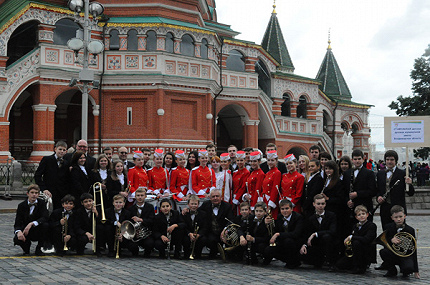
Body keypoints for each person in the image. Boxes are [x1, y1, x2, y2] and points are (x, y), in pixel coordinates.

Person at [376, 150, 415, 230]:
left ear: (396, 161)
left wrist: (410, 184)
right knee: (386, 233)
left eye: (392, 159)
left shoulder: (402, 173)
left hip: (398, 209)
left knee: (399, 233)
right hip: (385, 209)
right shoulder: (380, 174)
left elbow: (410, 193)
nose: (389, 162)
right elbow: (378, 190)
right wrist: (378, 197)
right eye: (387, 159)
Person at [379, 205, 419, 279]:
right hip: (393, 254)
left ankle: (404, 268)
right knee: (383, 252)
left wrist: (416, 270)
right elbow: (385, 240)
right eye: (396, 217)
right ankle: (392, 270)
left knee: (408, 269)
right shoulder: (388, 227)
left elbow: (414, 250)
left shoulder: (410, 230)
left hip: (405, 256)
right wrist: (391, 240)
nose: (398, 219)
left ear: (404, 216)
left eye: (400, 216)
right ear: (392, 218)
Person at [299, 194, 337, 271]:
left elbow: (332, 231)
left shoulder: (331, 215)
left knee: (327, 237)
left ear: (325, 204)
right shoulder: (310, 217)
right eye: (318, 204)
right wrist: (304, 245)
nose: (320, 206)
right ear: (314, 204)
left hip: (329, 242)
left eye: (322, 204)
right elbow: (306, 233)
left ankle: (331, 263)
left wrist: (316, 234)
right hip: (316, 244)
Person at [335, 205, 377, 274]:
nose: (362, 216)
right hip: (356, 251)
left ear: (367, 215)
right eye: (359, 215)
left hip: (366, 251)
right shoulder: (355, 226)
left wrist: (351, 237)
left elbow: (366, 239)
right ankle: (354, 264)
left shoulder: (371, 225)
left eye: (363, 214)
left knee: (356, 243)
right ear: (356, 217)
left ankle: (359, 267)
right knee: (339, 265)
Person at [263, 199, 304, 268]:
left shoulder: (298, 217)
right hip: (283, 240)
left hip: (295, 242)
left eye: (287, 208)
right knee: (269, 249)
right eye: (282, 209)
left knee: (288, 241)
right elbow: (276, 229)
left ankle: (293, 262)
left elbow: (296, 234)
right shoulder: (279, 217)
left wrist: (278, 234)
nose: (285, 211)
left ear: (292, 209)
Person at [13, 184, 49, 256]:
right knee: (17, 238)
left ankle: (39, 248)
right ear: (27, 194)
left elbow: (45, 217)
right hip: (25, 231)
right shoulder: (21, 205)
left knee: (46, 226)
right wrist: (18, 232)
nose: (34, 195)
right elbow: (17, 222)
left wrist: (32, 223)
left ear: (38, 194)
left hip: (37, 229)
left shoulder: (41, 203)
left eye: (36, 193)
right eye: (32, 193)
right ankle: (26, 247)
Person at [35, 140, 70, 210]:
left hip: (61, 193)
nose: (62, 151)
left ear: (66, 151)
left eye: (64, 150)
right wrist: (44, 189)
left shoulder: (66, 163)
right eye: (60, 149)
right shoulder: (47, 160)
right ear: (55, 149)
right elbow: (37, 175)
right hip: (49, 192)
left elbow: (67, 178)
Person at [199, 189, 234, 259]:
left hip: (224, 232)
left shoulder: (227, 206)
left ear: (221, 197)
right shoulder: (206, 204)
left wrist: (225, 230)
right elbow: (197, 211)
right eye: (213, 196)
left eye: (217, 196)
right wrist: (187, 210)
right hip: (210, 232)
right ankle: (212, 254)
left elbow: (231, 220)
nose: (215, 198)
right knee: (210, 240)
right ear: (210, 198)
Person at [344, 149, 377, 223]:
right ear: (352, 160)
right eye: (355, 159)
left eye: (359, 159)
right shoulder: (347, 173)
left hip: (364, 207)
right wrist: (347, 201)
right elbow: (344, 190)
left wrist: (357, 194)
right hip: (351, 208)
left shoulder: (369, 173)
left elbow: (373, 191)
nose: (357, 161)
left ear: (363, 159)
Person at [321, 160, 347, 239]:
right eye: (326, 169)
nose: (327, 171)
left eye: (330, 169)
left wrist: (328, 199)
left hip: (335, 210)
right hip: (326, 209)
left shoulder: (338, 182)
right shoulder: (325, 180)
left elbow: (341, 199)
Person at [127, 188, 155, 257]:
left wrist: (141, 220)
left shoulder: (150, 207)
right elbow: (128, 222)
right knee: (131, 245)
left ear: (145, 196)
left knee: (150, 243)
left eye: (142, 195)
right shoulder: (130, 208)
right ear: (135, 197)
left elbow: (152, 220)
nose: (140, 197)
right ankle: (135, 253)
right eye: (138, 195)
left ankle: (147, 253)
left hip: (146, 233)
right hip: (135, 234)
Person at [182, 195, 208, 259]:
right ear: (188, 204)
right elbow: (183, 226)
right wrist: (189, 233)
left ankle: (198, 254)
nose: (193, 206)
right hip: (188, 234)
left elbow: (205, 227)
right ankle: (186, 254)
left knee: (203, 239)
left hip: (198, 234)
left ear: (198, 204)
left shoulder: (203, 214)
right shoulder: (184, 213)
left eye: (195, 204)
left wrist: (199, 234)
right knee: (184, 239)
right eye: (192, 204)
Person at [263, 150, 282, 218]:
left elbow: (275, 189)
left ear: (276, 161)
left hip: (271, 201)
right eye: (268, 160)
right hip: (265, 199)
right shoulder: (267, 173)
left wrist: (270, 204)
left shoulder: (277, 173)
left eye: (272, 160)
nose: (270, 162)